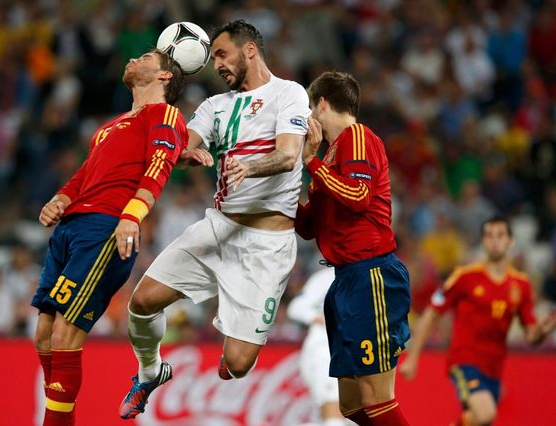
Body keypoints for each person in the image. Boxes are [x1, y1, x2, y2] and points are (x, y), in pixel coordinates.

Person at [119, 20, 310, 419]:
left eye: (222, 54)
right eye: (213, 58)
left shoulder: (287, 93)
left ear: (250, 51)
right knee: (142, 302)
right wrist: (183, 153)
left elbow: (289, 155)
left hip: (266, 245)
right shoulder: (214, 106)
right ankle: (150, 371)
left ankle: (237, 335)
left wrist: (250, 167)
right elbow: (183, 143)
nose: (217, 64)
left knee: (238, 366)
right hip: (219, 228)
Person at [30, 48, 199, 426]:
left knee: (64, 333)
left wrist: (132, 216)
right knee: (43, 335)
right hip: (70, 228)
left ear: (165, 76)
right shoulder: (111, 125)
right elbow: (86, 172)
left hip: (106, 229)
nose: (131, 59)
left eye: (143, 57)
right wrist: (61, 197)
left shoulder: (164, 114)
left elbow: (159, 165)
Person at [295, 71, 411, 425]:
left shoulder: (356, 137)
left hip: (371, 275)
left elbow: (359, 197)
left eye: (312, 109)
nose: (310, 119)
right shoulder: (328, 159)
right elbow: (308, 228)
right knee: (349, 405)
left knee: (377, 398)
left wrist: (312, 163)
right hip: (343, 281)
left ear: (323, 104)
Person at [399, 216, 556, 426]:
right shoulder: (465, 277)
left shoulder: (521, 285)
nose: (494, 241)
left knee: (479, 421)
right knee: (485, 413)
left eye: (500, 235)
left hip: (494, 368)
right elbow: (432, 312)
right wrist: (413, 358)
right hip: (464, 361)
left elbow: (531, 336)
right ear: (483, 242)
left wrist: (543, 331)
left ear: (510, 241)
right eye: (489, 236)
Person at [288, 267, 357, 426]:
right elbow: (297, 307)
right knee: (333, 407)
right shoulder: (325, 277)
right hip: (325, 349)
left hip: (353, 352)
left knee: (349, 416)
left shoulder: (368, 275)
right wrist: (316, 317)